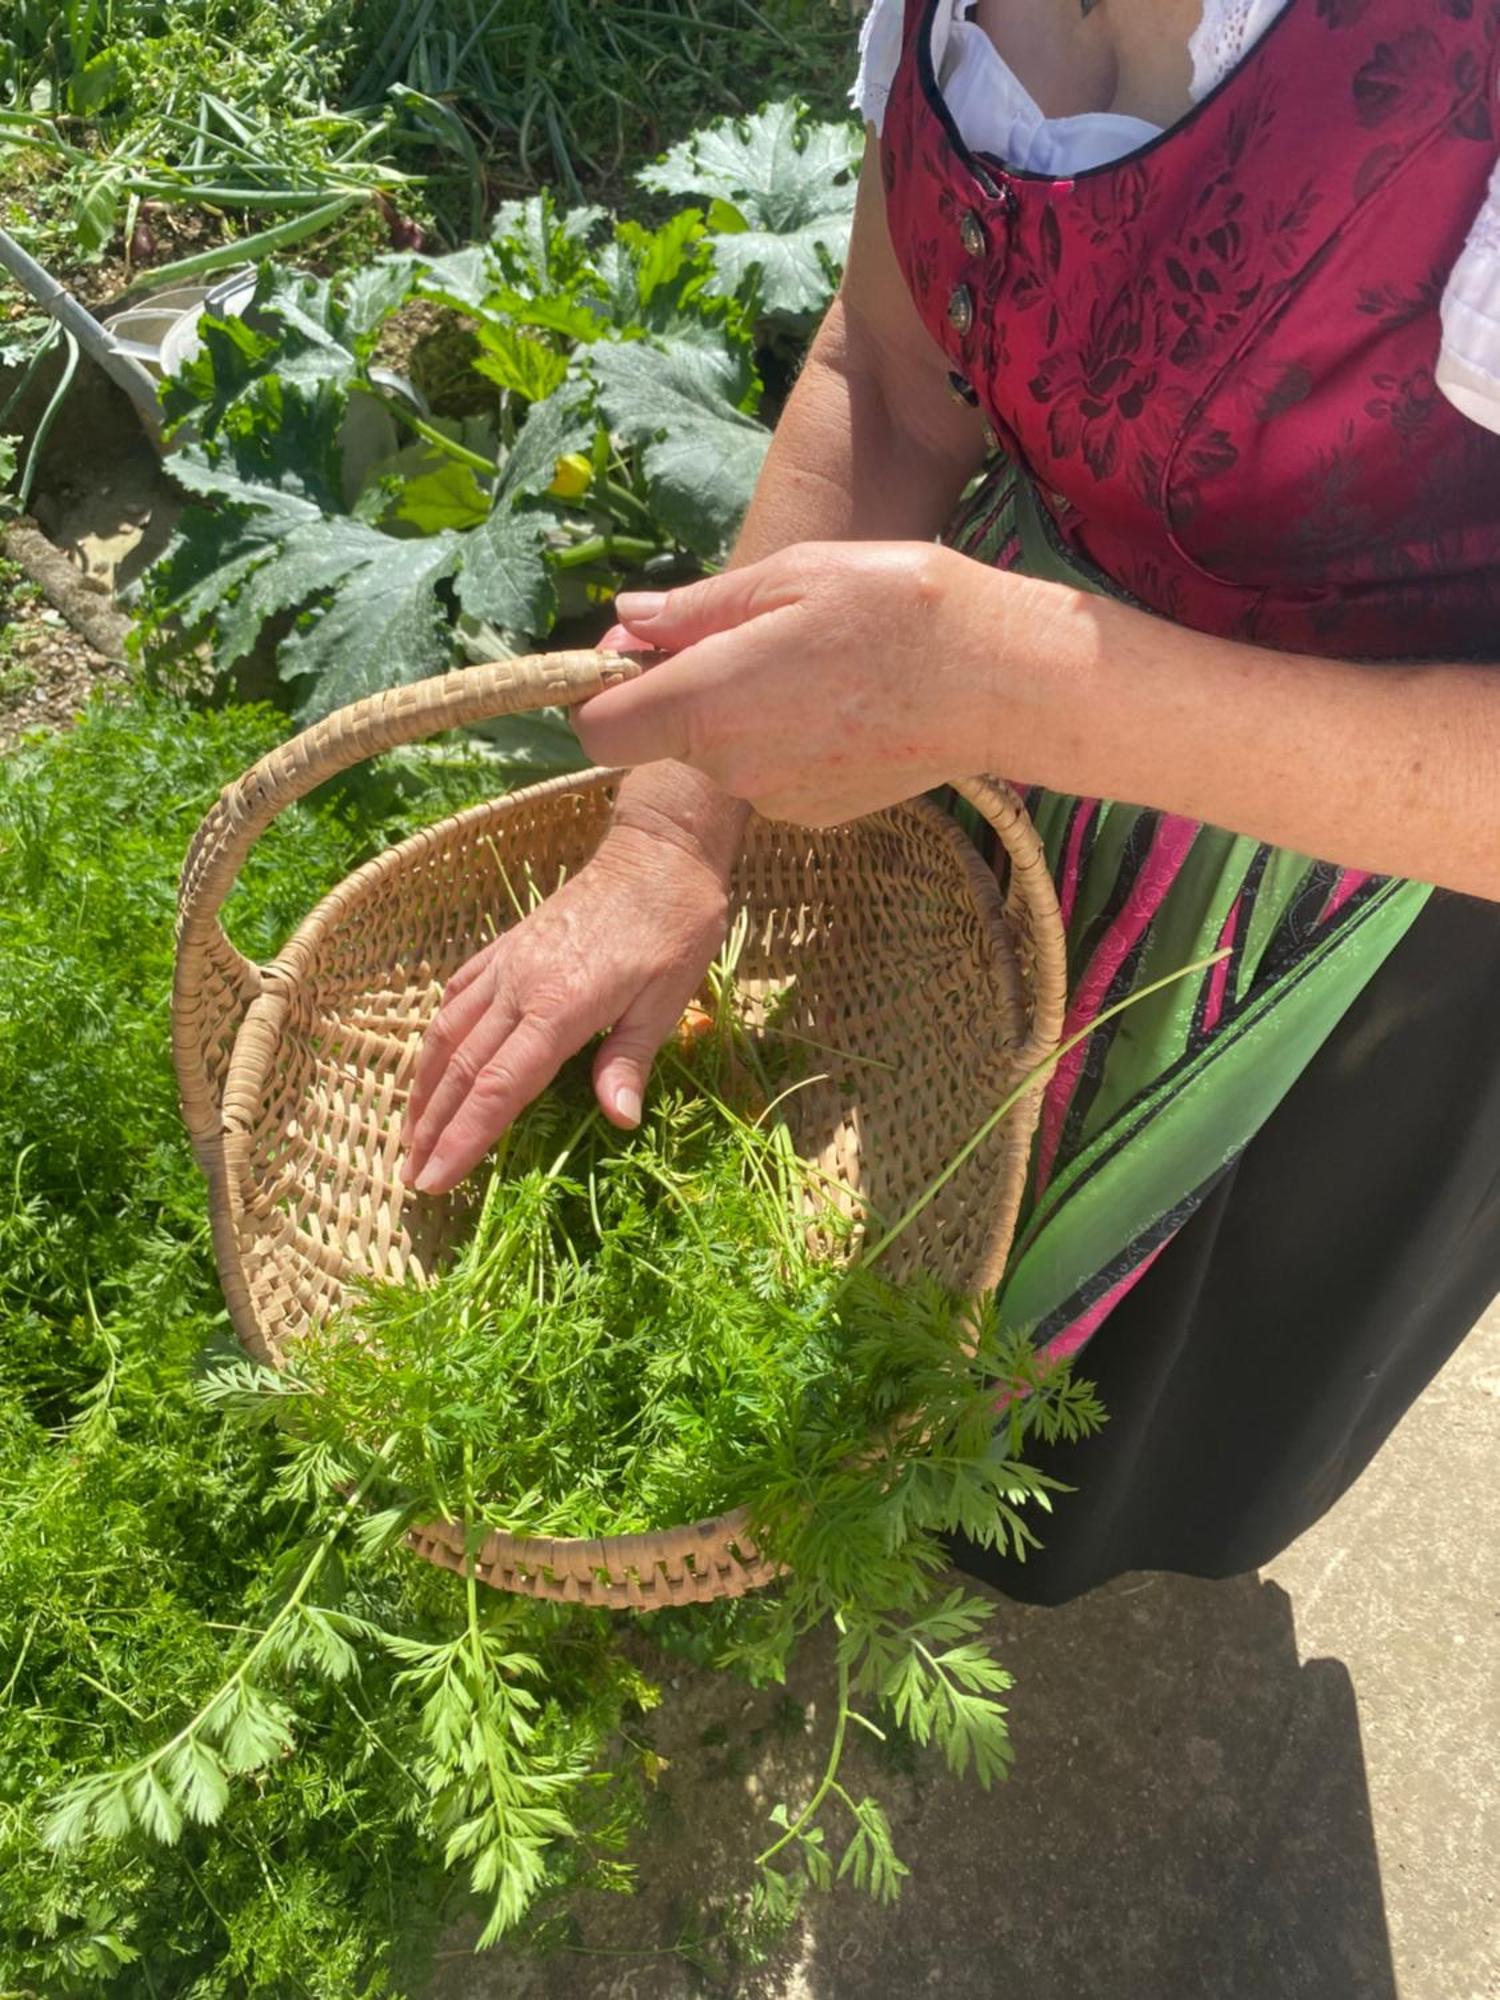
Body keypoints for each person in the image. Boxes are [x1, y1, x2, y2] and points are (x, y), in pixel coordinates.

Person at [402, 0, 1500, 1603]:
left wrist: (1008, 691)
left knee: (1129, 1408)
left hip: (1349, 899)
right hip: (984, 738)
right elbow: (893, 386)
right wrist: (665, 831)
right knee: (926, 1235)